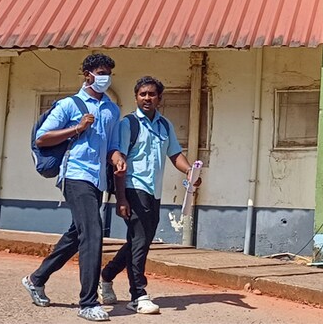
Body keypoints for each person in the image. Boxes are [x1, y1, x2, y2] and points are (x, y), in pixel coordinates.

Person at [22, 53, 126, 322]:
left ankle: (36, 279)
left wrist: (117, 158)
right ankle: (88, 302)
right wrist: (77, 128)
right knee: (92, 232)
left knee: (77, 234)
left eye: (108, 73)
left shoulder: (112, 110)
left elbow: (112, 146)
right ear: (87, 74)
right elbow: (42, 138)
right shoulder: (69, 105)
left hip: (98, 179)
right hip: (75, 175)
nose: (105, 78)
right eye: (100, 73)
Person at [98, 75, 197, 315]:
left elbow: (175, 154)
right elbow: (119, 163)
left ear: (159, 98)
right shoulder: (128, 124)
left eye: (152, 94)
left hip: (154, 191)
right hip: (133, 188)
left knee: (139, 241)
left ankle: (107, 275)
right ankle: (138, 295)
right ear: (136, 97)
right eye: (142, 94)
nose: (147, 98)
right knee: (140, 242)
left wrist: (190, 171)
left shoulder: (165, 125)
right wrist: (121, 198)